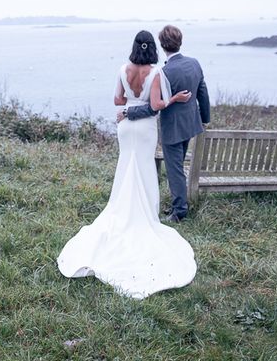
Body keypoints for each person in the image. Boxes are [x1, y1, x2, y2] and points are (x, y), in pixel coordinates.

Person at [57, 30, 197, 299]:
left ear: (134, 47)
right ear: (152, 49)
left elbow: (117, 101)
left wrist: (131, 103)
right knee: (143, 169)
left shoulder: (123, 69)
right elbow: (156, 105)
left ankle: (121, 210)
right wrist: (174, 100)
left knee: (126, 167)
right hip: (144, 128)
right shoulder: (155, 73)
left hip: (125, 127)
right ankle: (144, 214)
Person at [119, 25, 210, 222]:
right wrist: (205, 119)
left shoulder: (163, 72)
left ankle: (179, 211)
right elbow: (202, 91)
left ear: (162, 45)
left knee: (175, 169)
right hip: (191, 125)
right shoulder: (194, 63)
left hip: (172, 128)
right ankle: (180, 203)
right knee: (178, 164)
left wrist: (128, 111)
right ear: (180, 42)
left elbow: (153, 108)